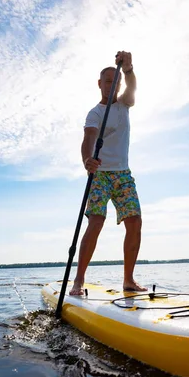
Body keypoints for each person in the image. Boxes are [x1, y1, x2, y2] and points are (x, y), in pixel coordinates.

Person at [69, 51, 147, 295]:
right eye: (106, 81)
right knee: (96, 222)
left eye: (116, 81)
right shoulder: (95, 113)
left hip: (123, 174)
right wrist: (86, 160)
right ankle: (79, 281)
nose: (110, 85)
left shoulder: (124, 104)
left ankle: (128, 280)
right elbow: (88, 139)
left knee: (135, 222)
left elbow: (132, 86)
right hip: (100, 174)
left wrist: (128, 68)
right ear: (99, 84)